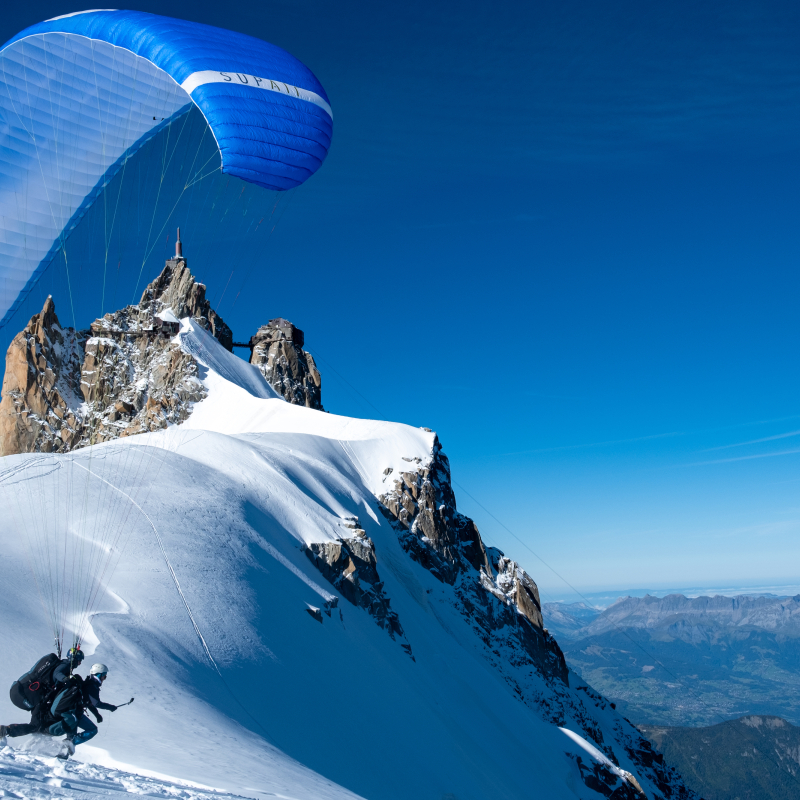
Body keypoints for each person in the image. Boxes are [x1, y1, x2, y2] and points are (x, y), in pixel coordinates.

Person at [1, 647, 84, 742]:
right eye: (79, 661)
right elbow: (57, 673)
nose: (80, 663)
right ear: (74, 659)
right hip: (22, 696)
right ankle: (5, 730)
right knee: (35, 726)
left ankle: (32, 741)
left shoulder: (62, 664)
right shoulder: (66, 664)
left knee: (38, 724)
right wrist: (65, 679)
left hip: (17, 691)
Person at [49, 663, 117, 759]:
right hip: (75, 714)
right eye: (104, 676)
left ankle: (61, 755)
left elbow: (87, 702)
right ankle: (69, 744)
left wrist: (97, 715)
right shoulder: (92, 685)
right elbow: (96, 703)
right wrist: (110, 707)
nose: (104, 678)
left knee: (71, 737)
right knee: (92, 730)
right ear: (100, 674)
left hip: (71, 712)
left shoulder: (88, 682)